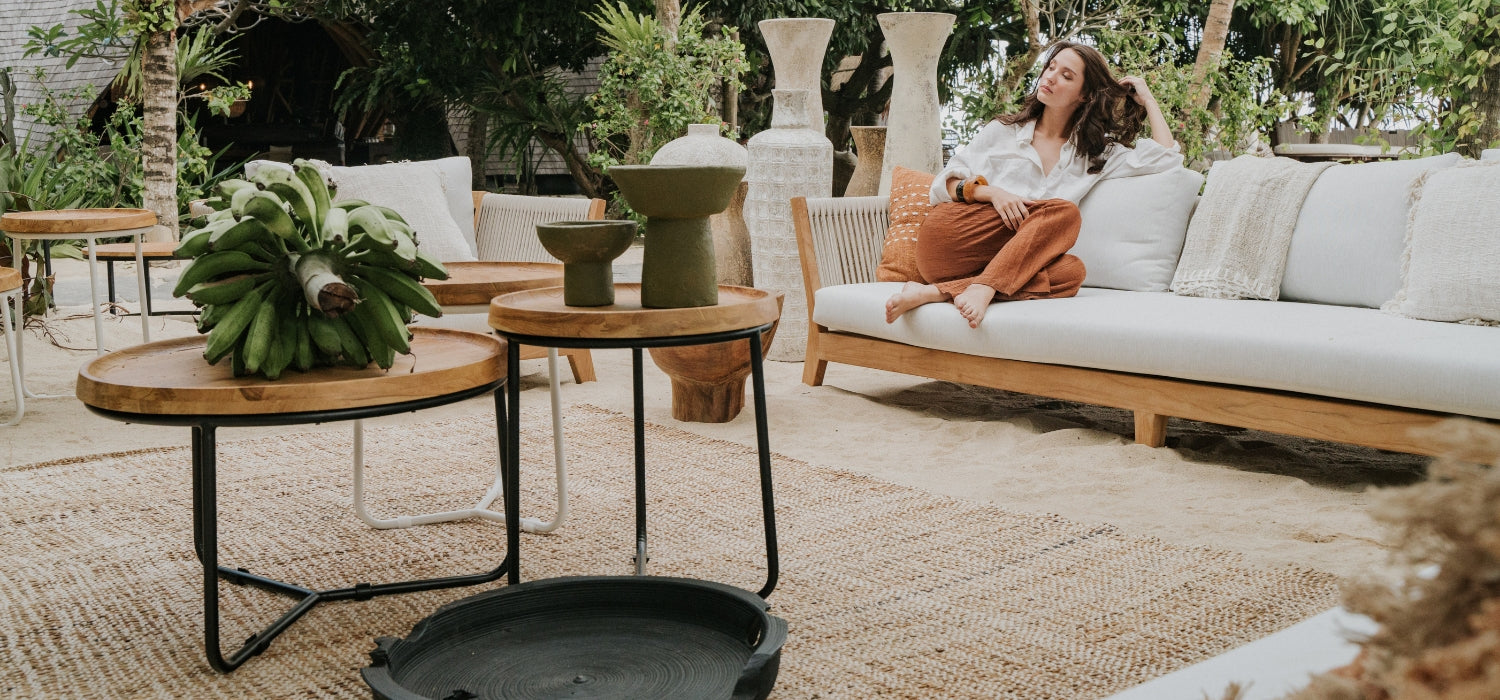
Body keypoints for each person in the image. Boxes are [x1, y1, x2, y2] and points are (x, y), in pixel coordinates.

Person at [885, 41, 1184, 328]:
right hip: (953, 237)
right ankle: (982, 287)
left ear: (1084, 95)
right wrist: (993, 193)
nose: (1050, 77)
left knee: (1071, 272)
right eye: (1051, 67)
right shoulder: (1003, 131)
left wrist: (1148, 99)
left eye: (1066, 75)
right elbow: (944, 186)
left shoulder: (1094, 155)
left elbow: (1167, 158)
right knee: (1064, 213)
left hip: (989, 261)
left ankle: (940, 292)